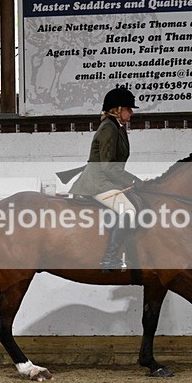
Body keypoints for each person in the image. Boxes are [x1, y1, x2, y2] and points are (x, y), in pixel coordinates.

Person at [69, 87, 142, 272]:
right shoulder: (108, 128)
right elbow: (108, 166)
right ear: (118, 109)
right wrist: (132, 180)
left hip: (108, 181)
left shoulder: (118, 128)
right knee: (128, 211)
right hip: (98, 183)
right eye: (128, 108)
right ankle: (109, 259)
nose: (131, 112)